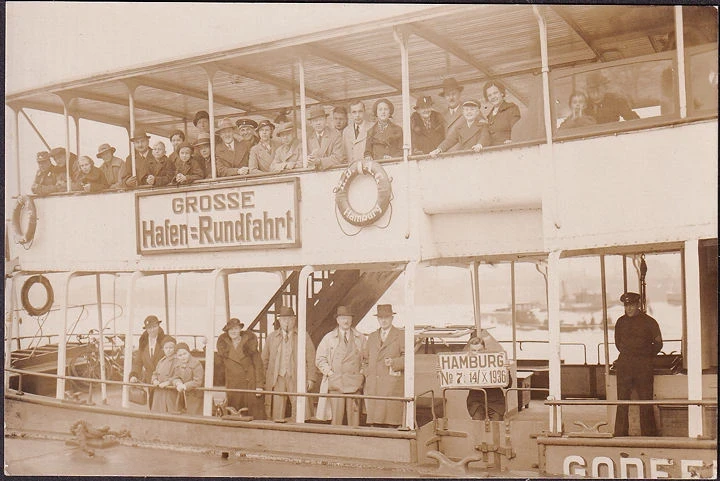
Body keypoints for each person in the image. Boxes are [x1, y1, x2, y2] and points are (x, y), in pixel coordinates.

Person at [613, 292, 662, 437]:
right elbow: (617, 343)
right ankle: (620, 434)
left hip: (644, 366)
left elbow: (658, 344)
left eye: (631, 305)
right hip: (625, 365)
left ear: (638, 305)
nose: (628, 308)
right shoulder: (620, 322)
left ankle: (649, 435)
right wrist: (629, 355)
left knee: (646, 402)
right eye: (626, 305)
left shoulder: (649, 322)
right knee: (622, 401)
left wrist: (646, 355)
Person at [262, 306, 320, 422]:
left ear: (294, 320)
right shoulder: (272, 337)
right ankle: (277, 431)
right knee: (277, 409)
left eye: (289, 319)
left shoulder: (303, 336)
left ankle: (298, 430)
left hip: (296, 377)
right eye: (284, 319)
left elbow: (311, 357)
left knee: (299, 406)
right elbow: (265, 360)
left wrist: (311, 378)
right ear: (279, 321)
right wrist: (265, 379)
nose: (287, 322)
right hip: (277, 377)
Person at [315, 306, 365, 427]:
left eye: (348, 318)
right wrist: (330, 374)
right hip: (336, 383)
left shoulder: (360, 338)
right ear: (337, 320)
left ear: (351, 320)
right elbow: (320, 359)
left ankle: (354, 442)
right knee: (336, 419)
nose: (346, 321)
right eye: (342, 318)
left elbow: (367, 359)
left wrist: (361, 374)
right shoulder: (329, 338)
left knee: (354, 420)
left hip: (354, 384)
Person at [363, 304, 404, 428]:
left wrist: (394, 362)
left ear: (392, 318)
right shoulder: (372, 336)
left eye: (386, 317)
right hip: (374, 386)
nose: (383, 320)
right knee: (374, 423)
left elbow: (408, 358)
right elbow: (365, 359)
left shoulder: (400, 335)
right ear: (377, 319)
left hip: (391, 385)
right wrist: (368, 373)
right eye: (381, 318)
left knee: (391, 422)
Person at [216, 318, 265, 419]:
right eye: (231, 329)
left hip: (249, 384)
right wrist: (221, 388)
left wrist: (259, 385)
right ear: (227, 332)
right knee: (234, 414)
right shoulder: (224, 347)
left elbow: (258, 366)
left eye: (236, 328)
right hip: (233, 385)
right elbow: (220, 369)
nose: (233, 331)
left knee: (251, 415)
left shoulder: (249, 345)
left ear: (240, 330)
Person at [464, 331, 511, 421]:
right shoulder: (464, 363)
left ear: (485, 350)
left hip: (495, 401)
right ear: (470, 351)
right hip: (476, 401)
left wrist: (506, 371)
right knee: (477, 426)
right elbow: (454, 380)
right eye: (474, 350)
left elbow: (508, 385)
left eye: (480, 350)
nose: (477, 353)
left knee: (497, 427)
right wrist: (443, 371)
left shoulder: (496, 361)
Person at [130, 315, 166, 406]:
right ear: (146, 329)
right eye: (149, 328)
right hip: (150, 379)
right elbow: (138, 362)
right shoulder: (143, 342)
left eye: (154, 326)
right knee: (152, 403)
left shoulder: (166, 340)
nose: (152, 330)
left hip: (164, 379)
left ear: (158, 326)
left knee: (164, 404)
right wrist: (134, 375)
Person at [306, 106, 346, 171]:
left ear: (326, 120)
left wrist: (320, 161)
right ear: (311, 123)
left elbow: (338, 158)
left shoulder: (335, 136)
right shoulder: (308, 139)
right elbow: (303, 160)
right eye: (315, 121)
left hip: (332, 173)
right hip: (314, 175)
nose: (318, 123)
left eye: (321, 119)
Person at [483, 80, 521, 146]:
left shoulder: (511, 108)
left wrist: (513, 140)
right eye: (489, 95)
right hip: (493, 150)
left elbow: (517, 130)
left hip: (507, 148)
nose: (493, 97)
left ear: (502, 93)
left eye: (495, 93)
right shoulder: (489, 115)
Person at [171, 342, 204, 415]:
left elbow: (198, 381)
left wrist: (185, 386)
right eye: (180, 355)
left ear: (189, 353)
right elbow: (175, 377)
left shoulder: (196, 363)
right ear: (176, 356)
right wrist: (178, 383)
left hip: (196, 397)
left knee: (195, 417)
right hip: (183, 396)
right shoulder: (177, 364)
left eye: (185, 354)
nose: (183, 357)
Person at [150, 336, 179, 413]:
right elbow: (155, 373)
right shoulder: (161, 361)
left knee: (170, 413)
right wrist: (154, 380)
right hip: (158, 392)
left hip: (170, 392)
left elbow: (179, 375)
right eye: (166, 348)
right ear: (163, 349)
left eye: (171, 348)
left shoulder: (177, 361)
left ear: (174, 348)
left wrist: (168, 382)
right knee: (157, 414)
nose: (168, 350)